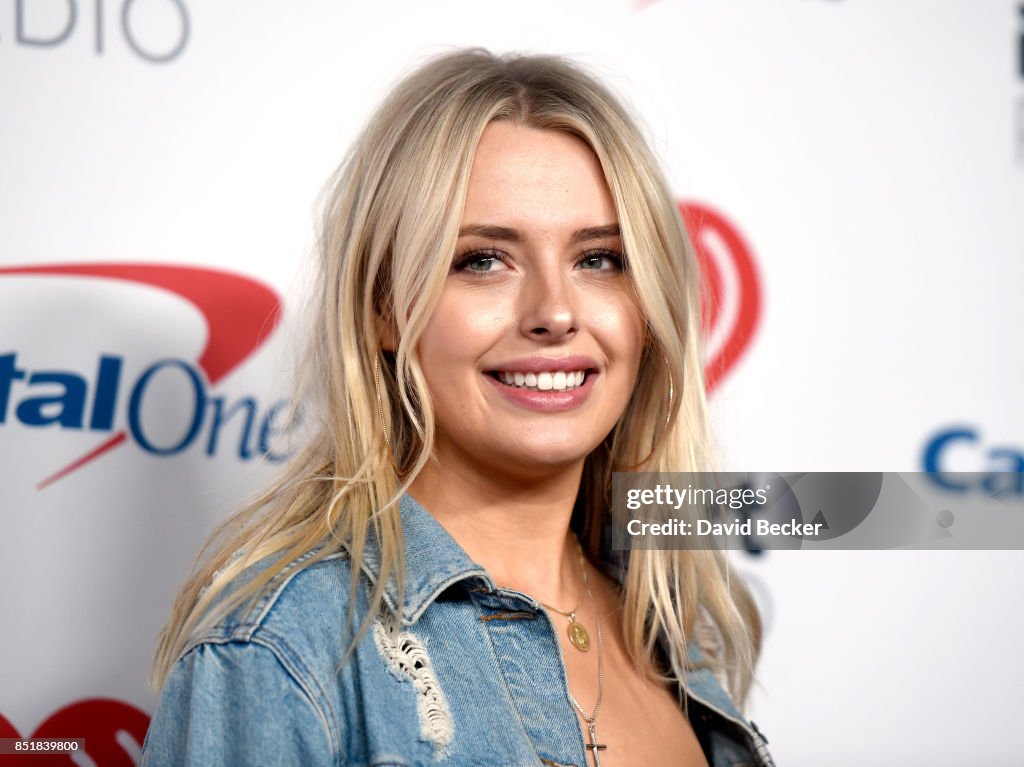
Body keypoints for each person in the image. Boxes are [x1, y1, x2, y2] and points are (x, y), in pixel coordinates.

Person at [141, 48, 774, 767]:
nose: (555, 312)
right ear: (384, 306)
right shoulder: (282, 650)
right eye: (483, 259)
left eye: (598, 258)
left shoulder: (666, 618)